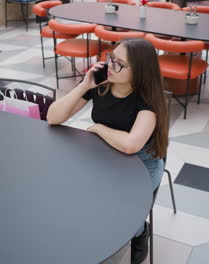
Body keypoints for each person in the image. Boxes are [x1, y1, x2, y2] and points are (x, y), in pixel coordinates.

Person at [47, 37, 169, 264]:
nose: (109, 66)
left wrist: (99, 128)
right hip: (106, 155)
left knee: (123, 217)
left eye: (118, 63)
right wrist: (84, 85)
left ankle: (140, 230)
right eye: (111, 58)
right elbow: (53, 117)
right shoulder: (101, 84)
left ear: (139, 72)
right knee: (73, 193)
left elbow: (131, 145)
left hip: (142, 164)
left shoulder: (147, 100)